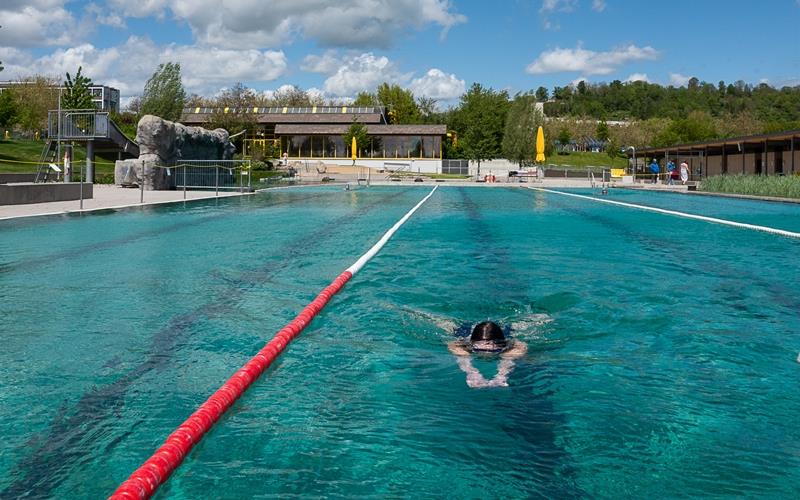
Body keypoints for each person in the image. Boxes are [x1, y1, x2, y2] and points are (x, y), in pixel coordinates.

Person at [448, 321, 527, 388]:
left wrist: (501, 376)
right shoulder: (462, 344)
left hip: (505, 333)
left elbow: (509, 358)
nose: (486, 354)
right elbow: (462, 356)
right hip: (465, 331)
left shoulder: (513, 345)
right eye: (480, 349)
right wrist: (471, 373)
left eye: (493, 350)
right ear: (472, 344)